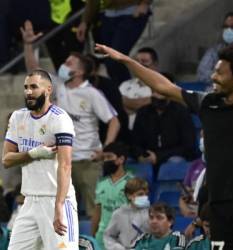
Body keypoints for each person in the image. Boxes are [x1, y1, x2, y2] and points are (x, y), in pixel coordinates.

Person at [94, 43, 233, 250]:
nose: (213, 77)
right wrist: (125, 59)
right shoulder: (207, 103)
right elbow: (163, 86)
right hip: (219, 206)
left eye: (220, 72)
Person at [21, 20, 120, 218]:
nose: (64, 66)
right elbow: (34, 70)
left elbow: (114, 121)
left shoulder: (92, 94)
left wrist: (106, 148)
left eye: (69, 64)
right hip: (61, 160)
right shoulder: (58, 86)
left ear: (80, 71)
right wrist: (28, 44)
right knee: (58, 211)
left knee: (94, 210)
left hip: (87, 161)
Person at [2, 69, 78, 249]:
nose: (28, 92)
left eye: (34, 87)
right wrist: (33, 154)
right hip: (29, 201)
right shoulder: (17, 117)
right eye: (26, 87)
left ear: (48, 89)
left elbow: (66, 166)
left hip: (56, 199)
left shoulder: (60, 119)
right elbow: (6, 159)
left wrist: (59, 206)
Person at [76, 0, 152, 85]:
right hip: (108, 16)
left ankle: (130, 93)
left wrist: (144, 3)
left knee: (115, 61)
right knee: (109, 63)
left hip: (132, 13)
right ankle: (124, 93)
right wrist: (85, 21)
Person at [131, 90, 198, 175]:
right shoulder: (143, 112)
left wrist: (158, 156)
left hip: (172, 156)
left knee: (174, 162)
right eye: (155, 92)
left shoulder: (181, 112)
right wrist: (140, 155)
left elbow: (188, 146)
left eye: (161, 93)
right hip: (148, 157)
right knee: (132, 163)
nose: (158, 96)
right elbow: (135, 142)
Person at [91, 142, 133, 249]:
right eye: (104, 158)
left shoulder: (132, 182)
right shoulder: (101, 183)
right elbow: (97, 211)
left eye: (109, 157)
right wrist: (93, 234)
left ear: (121, 159)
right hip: (102, 237)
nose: (106, 161)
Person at [103, 177, 150, 250]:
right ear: (129, 196)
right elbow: (108, 236)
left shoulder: (151, 213)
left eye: (146, 194)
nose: (144, 197)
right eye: (140, 194)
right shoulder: (118, 214)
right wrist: (118, 248)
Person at [119, 47, 158, 130]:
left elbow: (155, 105)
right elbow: (117, 105)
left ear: (155, 64)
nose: (139, 65)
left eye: (144, 61)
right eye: (136, 61)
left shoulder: (160, 86)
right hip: (125, 134)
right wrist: (142, 104)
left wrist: (126, 103)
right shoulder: (125, 85)